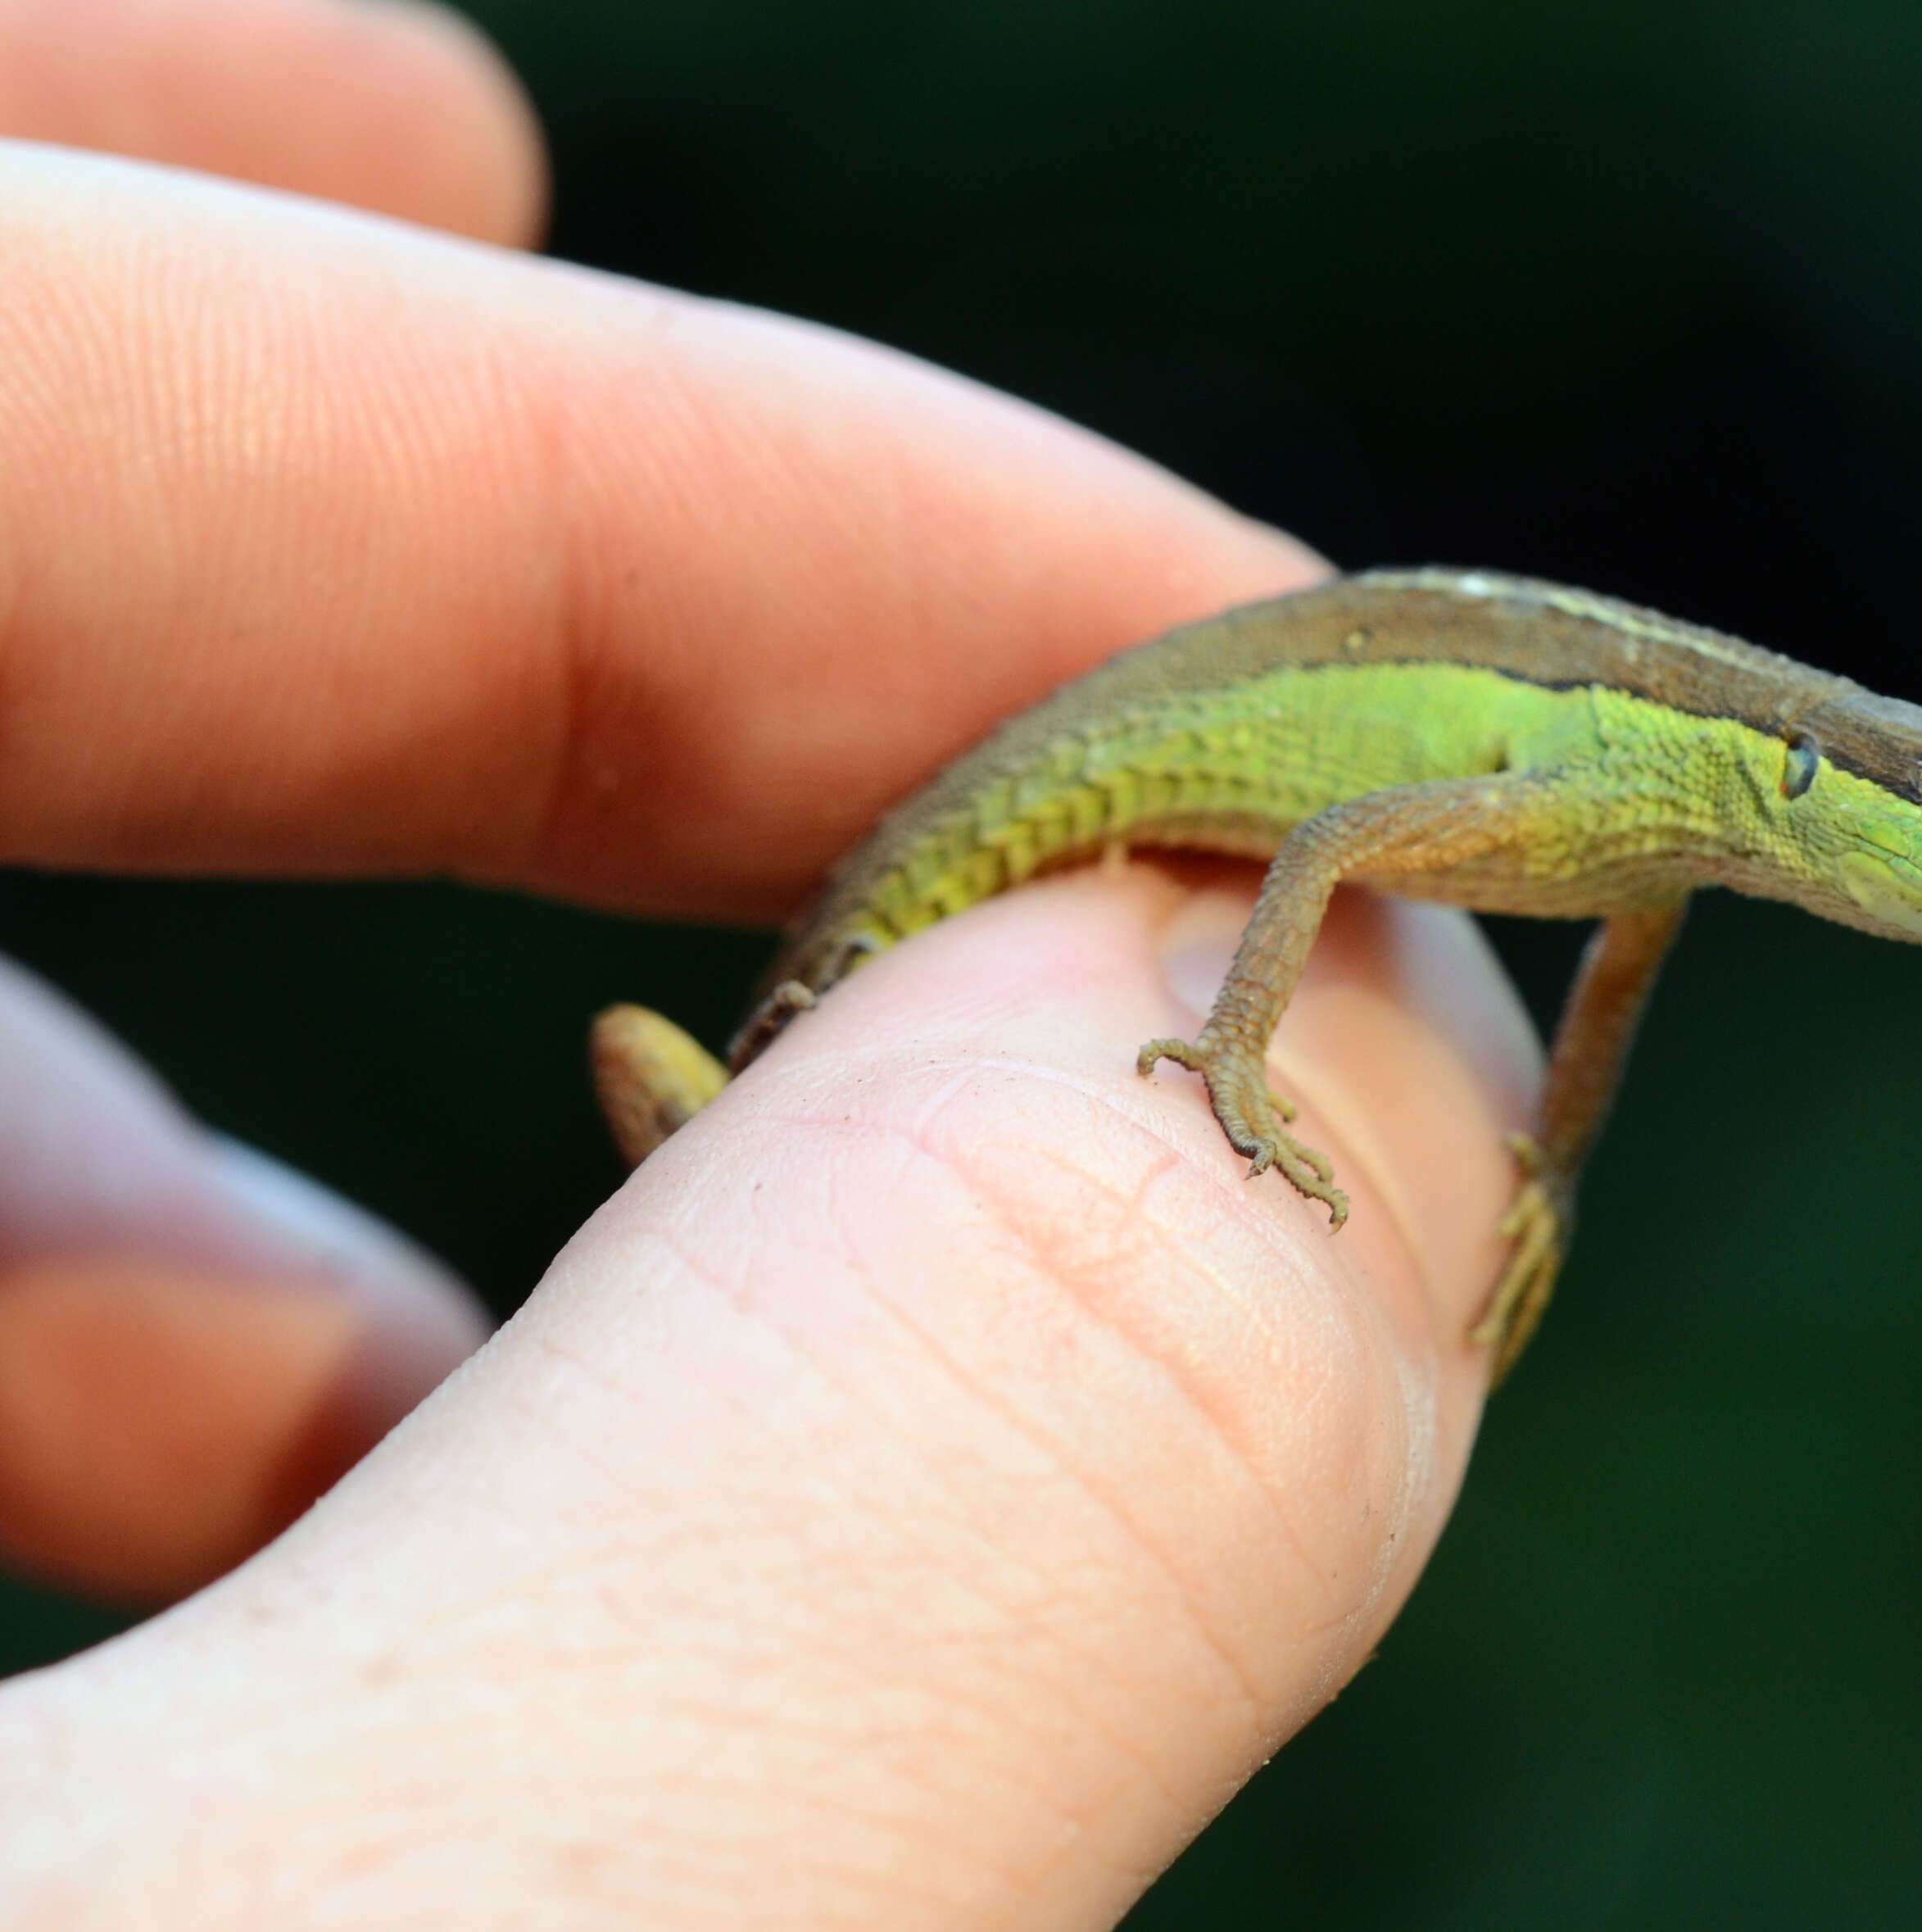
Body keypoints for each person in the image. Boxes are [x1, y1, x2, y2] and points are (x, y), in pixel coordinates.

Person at [0, 3, 1530, 1921]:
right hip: (885, 957)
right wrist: (1232, 1061)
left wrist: (1539, 1157)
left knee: (656, 1088)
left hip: (807, 1050)